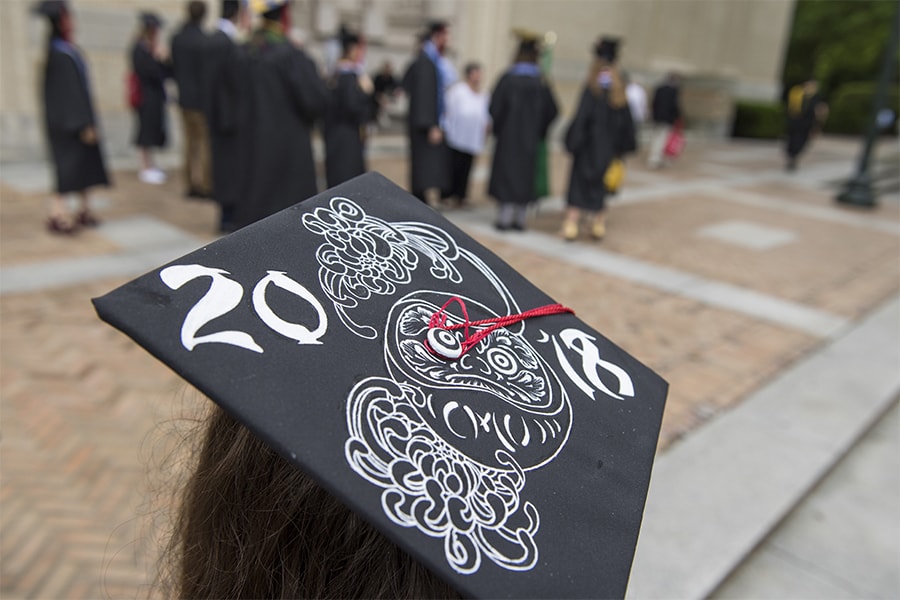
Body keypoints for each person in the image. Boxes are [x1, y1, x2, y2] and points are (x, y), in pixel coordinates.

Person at [231, 0, 328, 229]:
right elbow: (316, 102)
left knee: (255, 215)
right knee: (287, 222)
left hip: (252, 143)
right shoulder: (290, 55)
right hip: (287, 148)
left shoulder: (244, 51)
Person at [33, 0, 109, 234]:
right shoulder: (59, 54)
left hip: (75, 121)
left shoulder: (66, 50)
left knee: (83, 167)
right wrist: (83, 124)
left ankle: (84, 209)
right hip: (68, 125)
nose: (71, 22)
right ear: (60, 22)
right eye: (67, 18)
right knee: (67, 170)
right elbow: (70, 95)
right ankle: (57, 214)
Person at [560, 38, 636, 242]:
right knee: (601, 188)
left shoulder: (591, 89)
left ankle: (571, 224)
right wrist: (621, 148)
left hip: (587, 149)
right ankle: (598, 224)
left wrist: (573, 142)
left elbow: (581, 117)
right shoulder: (619, 93)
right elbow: (627, 123)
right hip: (608, 150)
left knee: (578, 186)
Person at [487, 37, 558, 231]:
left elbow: (494, 107)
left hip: (508, 140)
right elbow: (553, 110)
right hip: (530, 141)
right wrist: (539, 130)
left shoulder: (508, 78)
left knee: (507, 175)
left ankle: (504, 218)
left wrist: (500, 128)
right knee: (524, 176)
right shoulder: (541, 82)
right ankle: (520, 220)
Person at [204, 0, 246, 233]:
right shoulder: (225, 42)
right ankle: (228, 216)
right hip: (228, 119)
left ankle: (227, 213)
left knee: (224, 168)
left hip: (218, 116)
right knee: (229, 169)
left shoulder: (213, 39)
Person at [402, 21, 451, 204]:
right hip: (424, 124)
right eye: (446, 35)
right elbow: (424, 95)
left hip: (427, 121)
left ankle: (422, 199)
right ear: (437, 36)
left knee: (427, 166)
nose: (448, 40)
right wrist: (431, 124)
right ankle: (419, 201)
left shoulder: (432, 60)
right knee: (423, 167)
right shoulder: (426, 61)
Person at [171, 0, 212, 199]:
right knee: (203, 143)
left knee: (189, 144)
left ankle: (190, 182)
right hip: (202, 100)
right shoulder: (203, 40)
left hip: (184, 98)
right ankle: (204, 184)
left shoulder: (177, 38)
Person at [323, 31, 373, 188]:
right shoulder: (348, 75)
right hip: (347, 136)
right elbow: (352, 107)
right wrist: (366, 93)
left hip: (335, 133)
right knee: (347, 181)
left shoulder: (336, 74)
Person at [131, 11, 171, 184]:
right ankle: (144, 166)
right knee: (145, 131)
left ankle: (151, 164)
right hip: (145, 96)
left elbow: (167, 73)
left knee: (153, 130)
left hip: (154, 96)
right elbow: (148, 72)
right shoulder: (139, 48)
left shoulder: (150, 47)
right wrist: (157, 59)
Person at [442, 62, 490, 207]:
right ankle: (447, 194)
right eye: (476, 73)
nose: (478, 77)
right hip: (457, 135)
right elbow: (449, 109)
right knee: (452, 166)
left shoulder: (483, 94)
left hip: (473, 137)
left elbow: (485, 114)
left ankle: (461, 195)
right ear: (469, 74)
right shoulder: (458, 90)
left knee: (467, 167)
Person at [784, 76, 828, 172]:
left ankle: (793, 157)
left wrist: (818, 125)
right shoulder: (797, 93)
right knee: (794, 140)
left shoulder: (815, 96)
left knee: (800, 141)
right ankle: (792, 157)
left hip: (804, 123)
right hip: (797, 122)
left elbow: (821, 110)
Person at [647, 71, 681, 169]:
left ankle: (653, 158)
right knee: (662, 139)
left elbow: (654, 103)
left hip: (657, 118)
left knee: (656, 138)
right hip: (667, 119)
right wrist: (677, 117)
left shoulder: (659, 89)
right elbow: (674, 106)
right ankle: (656, 158)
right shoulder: (673, 91)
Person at [371, 60, 399, 128]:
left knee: (386, 104)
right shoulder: (378, 78)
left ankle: (383, 118)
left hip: (387, 97)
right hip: (377, 97)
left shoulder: (392, 78)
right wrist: (380, 96)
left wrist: (394, 94)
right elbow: (374, 90)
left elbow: (395, 89)